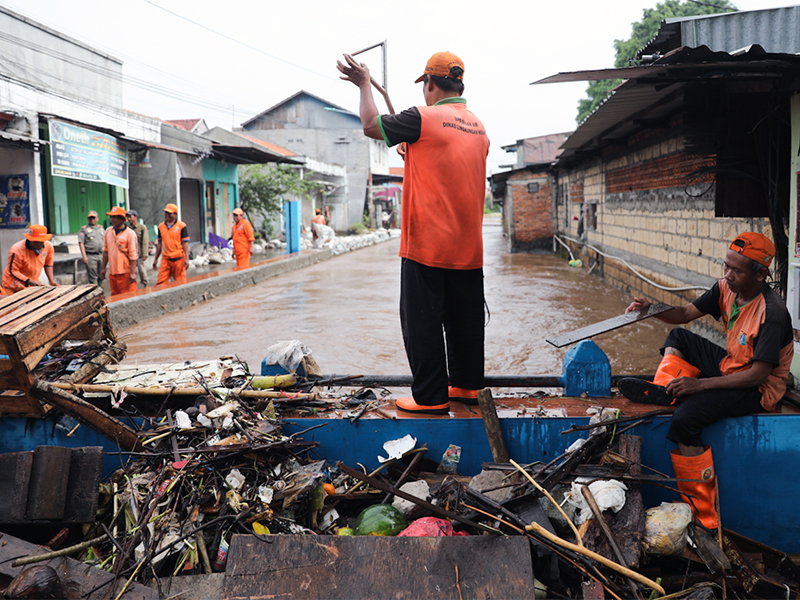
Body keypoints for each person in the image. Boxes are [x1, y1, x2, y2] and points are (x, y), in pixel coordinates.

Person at [337, 51, 490, 414]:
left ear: (431, 84)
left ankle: (430, 397)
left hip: (427, 247)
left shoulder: (424, 117)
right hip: (469, 250)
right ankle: (467, 386)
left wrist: (363, 84)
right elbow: (445, 165)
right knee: (464, 321)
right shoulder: (478, 127)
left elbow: (372, 125)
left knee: (421, 323)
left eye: (425, 86)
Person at [619, 232, 792, 529]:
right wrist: (651, 310)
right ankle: (666, 390)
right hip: (731, 368)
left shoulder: (772, 313)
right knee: (679, 338)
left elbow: (758, 375)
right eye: (726, 266)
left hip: (757, 389)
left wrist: (699, 386)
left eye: (736, 270)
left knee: (686, 421)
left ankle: (704, 515)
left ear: (761, 274)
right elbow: (685, 314)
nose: (728, 275)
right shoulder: (726, 289)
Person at [2, 224, 59, 294]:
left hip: (31, 284)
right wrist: (29, 281)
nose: (38, 244)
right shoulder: (16, 250)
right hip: (13, 285)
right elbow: (13, 271)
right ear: (29, 239)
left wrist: (51, 281)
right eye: (35, 242)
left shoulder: (48, 246)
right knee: (12, 304)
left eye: (40, 242)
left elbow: (48, 264)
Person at [100, 206, 138, 296]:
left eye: (115, 217)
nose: (112, 219)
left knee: (130, 296)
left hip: (125, 272)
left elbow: (133, 255)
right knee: (115, 296)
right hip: (113, 272)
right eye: (111, 217)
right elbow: (105, 251)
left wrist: (133, 273)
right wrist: (104, 268)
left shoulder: (130, 234)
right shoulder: (108, 231)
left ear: (122, 219)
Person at [152, 203, 189, 285]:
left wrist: (187, 258)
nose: (167, 215)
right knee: (161, 282)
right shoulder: (161, 226)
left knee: (180, 282)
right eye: (166, 213)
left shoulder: (181, 226)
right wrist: (155, 259)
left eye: (169, 213)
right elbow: (159, 243)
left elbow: (185, 243)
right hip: (166, 259)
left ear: (175, 214)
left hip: (179, 259)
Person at [78, 210, 105, 285]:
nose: (92, 220)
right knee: (93, 277)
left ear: (97, 218)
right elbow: (81, 243)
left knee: (102, 275)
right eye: (90, 218)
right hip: (91, 255)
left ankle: (99, 289)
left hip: (101, 255)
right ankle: (95, 292)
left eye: (94, 218)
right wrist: (84, 256)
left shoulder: (101, 229)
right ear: (87, 219)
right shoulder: (84, 229)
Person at [126, 209, 149, 288]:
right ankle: (131, 287)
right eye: (128, 217)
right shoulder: (127, 229)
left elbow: (145, 241)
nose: (129, 219)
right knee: (130, 272)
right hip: (130, 255)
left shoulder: (142, 228)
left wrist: (145, 254)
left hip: (139, 254)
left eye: (130, 217)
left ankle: (145, 285)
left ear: (136, 217)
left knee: (142, 271)